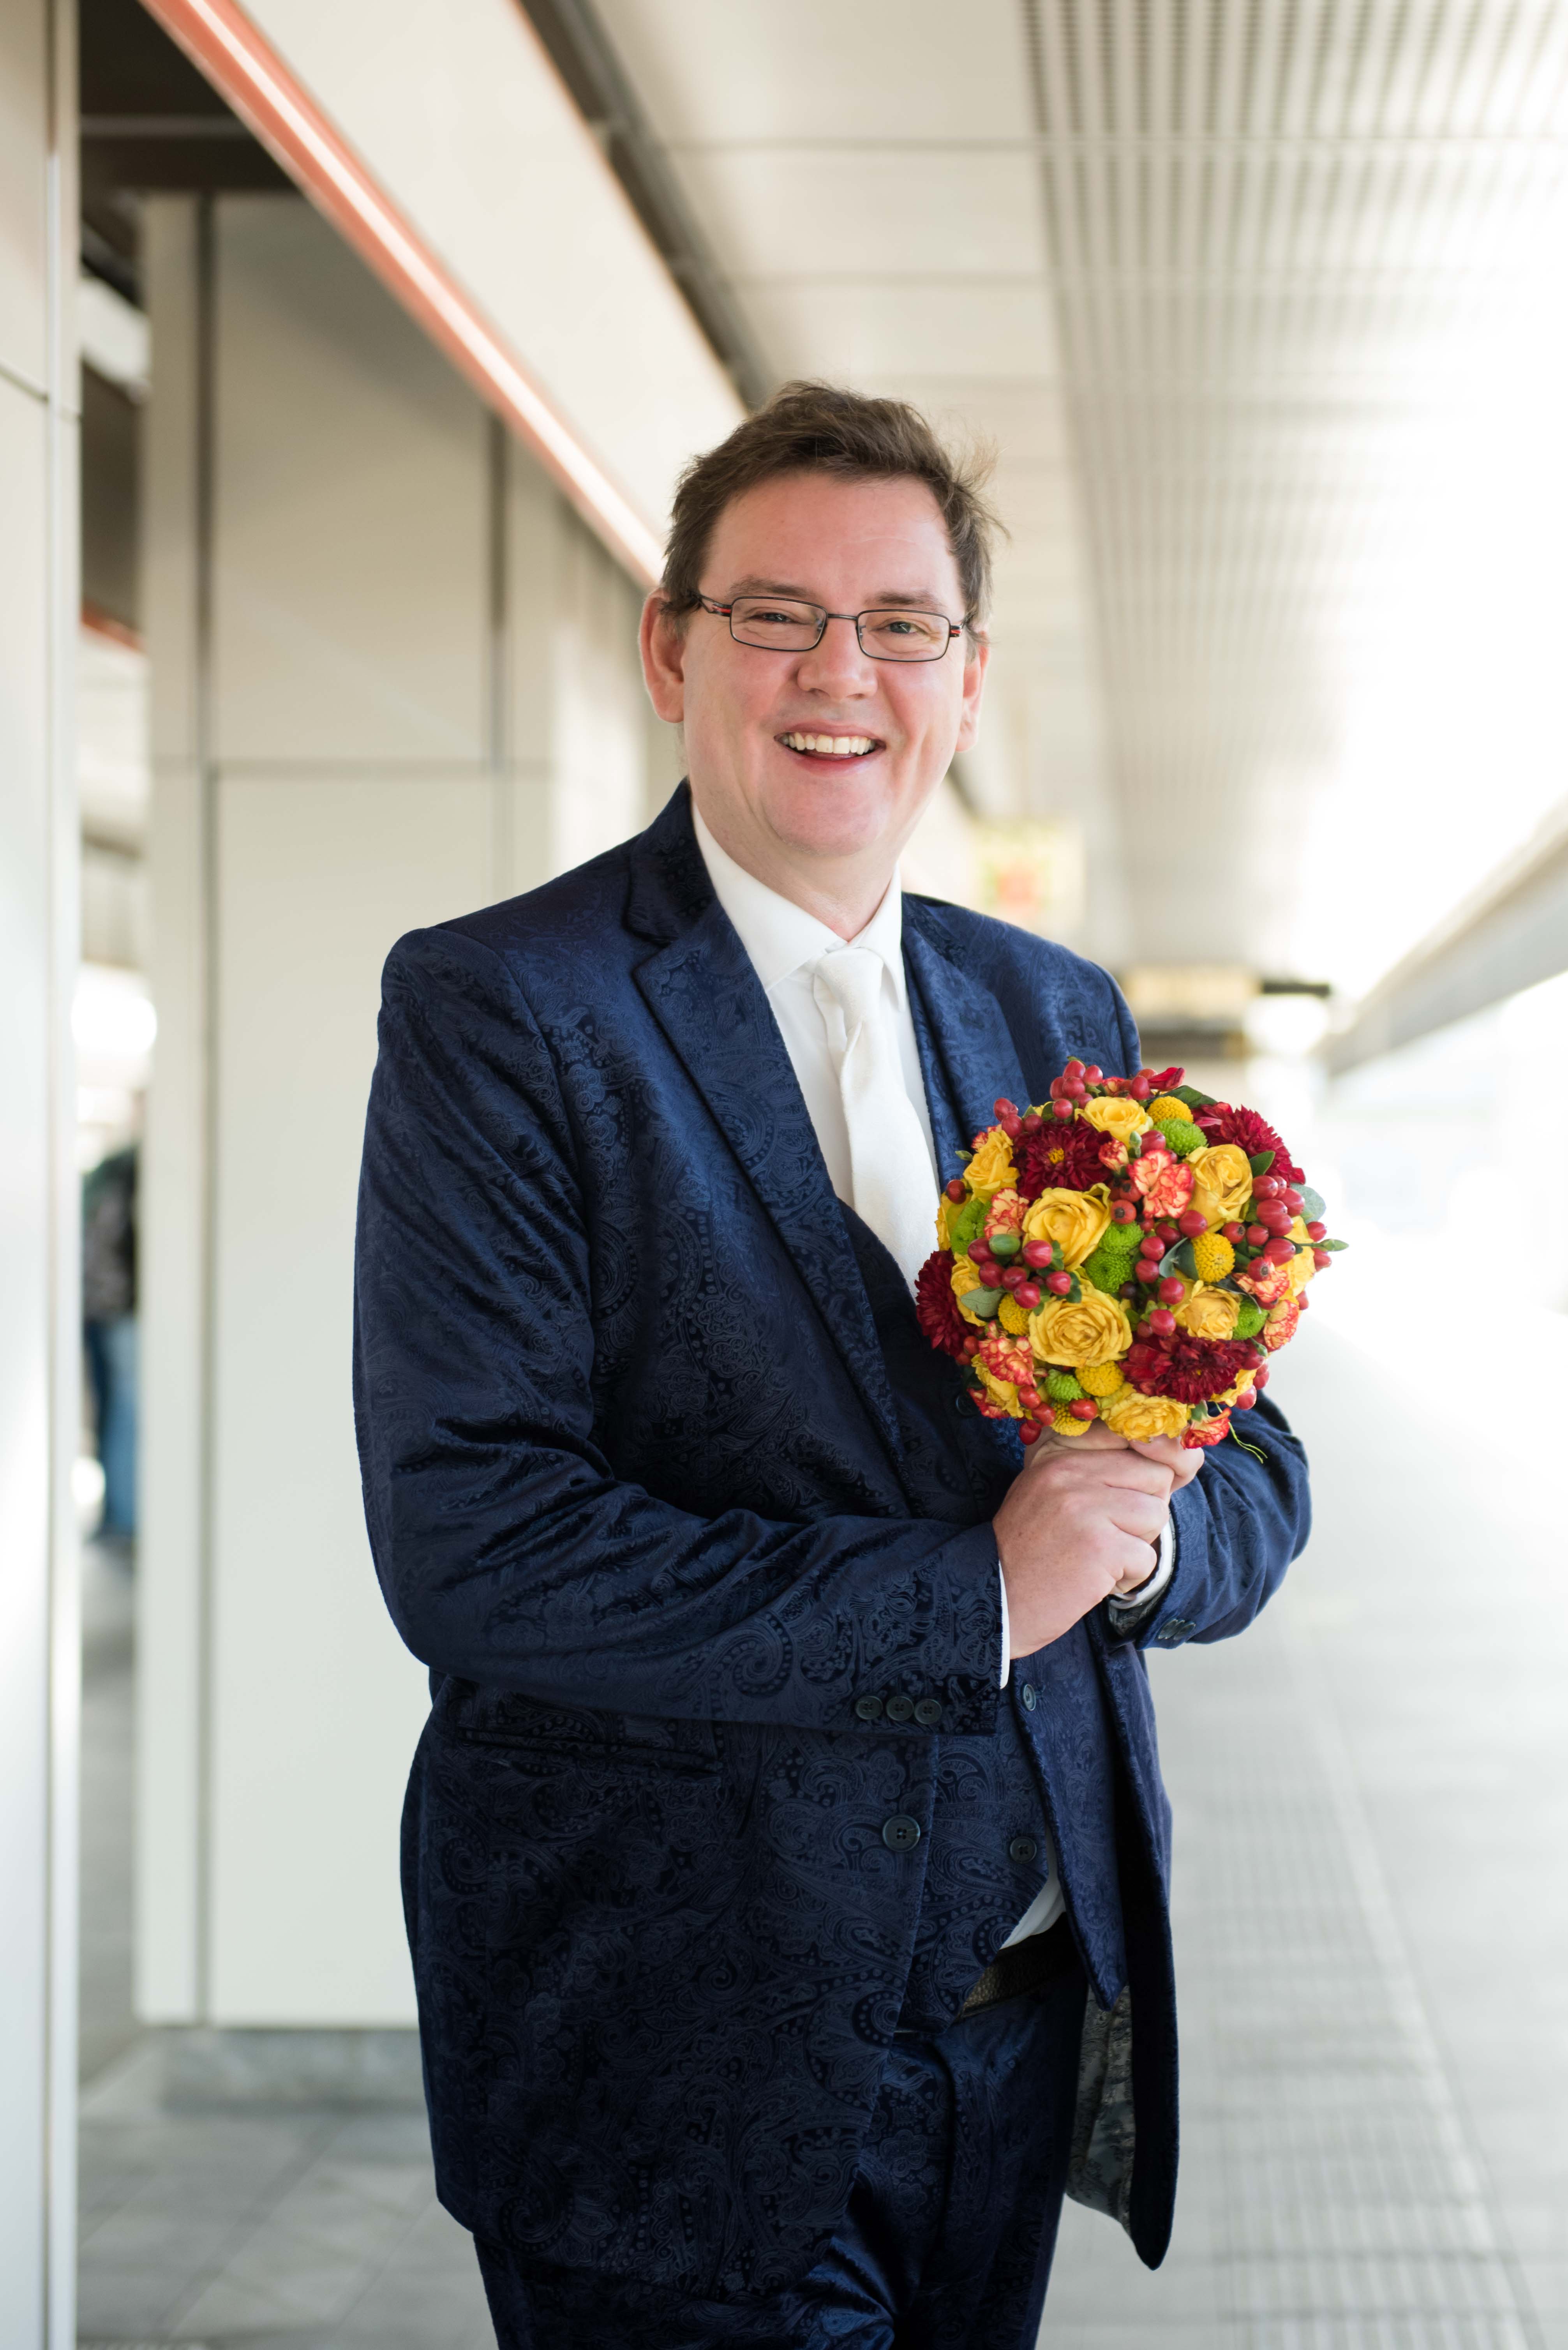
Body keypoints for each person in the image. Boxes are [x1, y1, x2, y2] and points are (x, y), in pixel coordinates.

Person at [354, 382, 1309, 2347]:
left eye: (897, 624)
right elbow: (478, 1541)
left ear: (964, 679)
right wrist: (976, 1596)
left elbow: (1245, 1447)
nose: (837, 672)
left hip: (1015, 2024)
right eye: (777, 614)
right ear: (671, 649)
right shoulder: (506, 1007)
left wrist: (1134, 1540)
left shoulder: (1042, 1002)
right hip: (675, 2051)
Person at [83, 1140, 139, 1548]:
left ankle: (118, 1517)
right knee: (123, 1415)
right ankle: (121, 1519)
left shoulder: (110, 1174)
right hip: (121, 1312)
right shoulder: (129, 1171)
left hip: (101, 1312)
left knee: (114, 1413)